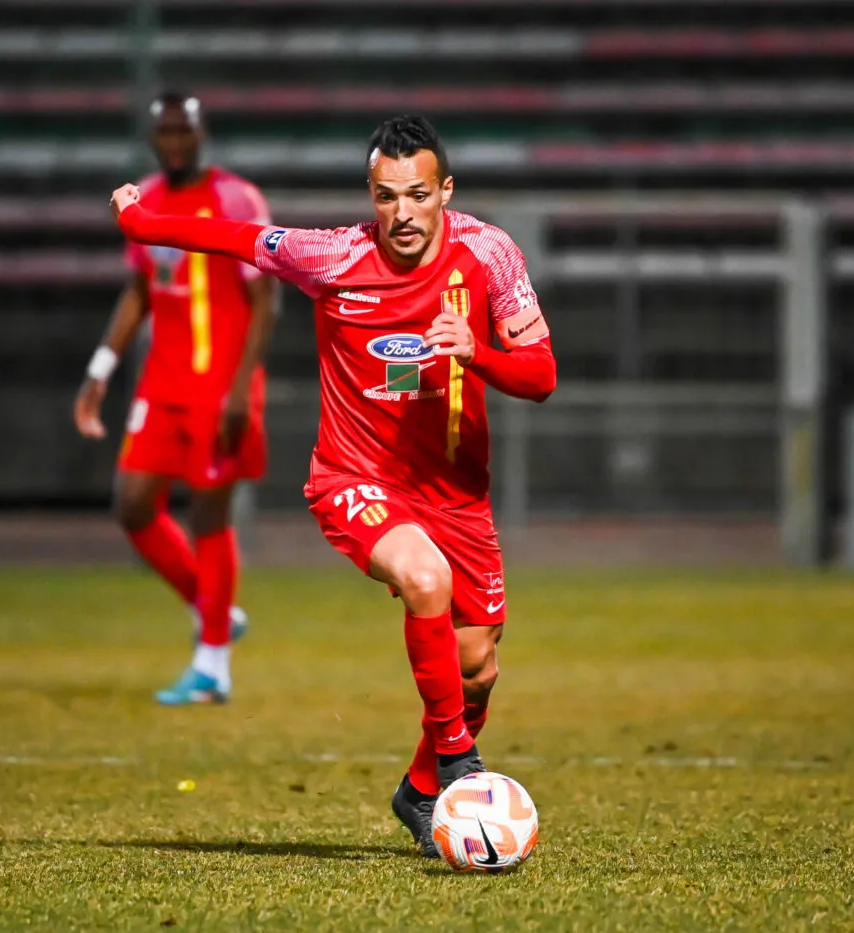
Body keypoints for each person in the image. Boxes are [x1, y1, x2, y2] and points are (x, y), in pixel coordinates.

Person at [108, 115, 556, 857]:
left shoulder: (490, 253)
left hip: (456, 495)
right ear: (370, 194)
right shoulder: (334, 256)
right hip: (356, 477)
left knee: (477, 669)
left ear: (446, 191)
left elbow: (541, 376)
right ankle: (459, 765)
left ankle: (420, 791)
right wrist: (141, 223)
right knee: (425, 579)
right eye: (386, 196)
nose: (402, 213)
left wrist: (476, 352)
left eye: (418, 195)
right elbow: (237, 240)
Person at [74, 92, 277, 706]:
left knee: (209, 515)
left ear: (201, 133)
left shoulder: (236, 199)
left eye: (183, 130)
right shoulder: (144, 198)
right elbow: (141, 288)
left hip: (219, 381)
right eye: (164, 131)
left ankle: (212, 666)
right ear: (153, 138)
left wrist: (242, 386)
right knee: (133, 505)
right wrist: (101, 368)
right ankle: (214, 611)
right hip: (162, 381)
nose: (175, 142)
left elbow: (265, 298)